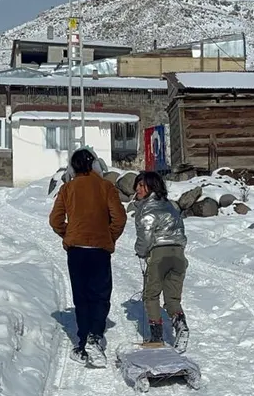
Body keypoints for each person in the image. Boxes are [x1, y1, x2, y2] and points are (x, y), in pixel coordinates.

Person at [49, 149, 127, 366]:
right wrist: (108, 236)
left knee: (81, 295)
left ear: (72, 167)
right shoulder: (106, 187)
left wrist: (70, 233)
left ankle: (83, 342)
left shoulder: (68, 188)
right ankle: (95, 334)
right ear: (95, 165)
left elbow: (55, 220)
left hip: (77, 250)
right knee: (100, 294)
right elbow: (119, 218)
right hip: (100, 250)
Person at [132, 171, 189, 352]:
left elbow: (146, 237)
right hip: (178, 254)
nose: (137, 189)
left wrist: (140, 252)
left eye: (142, 186)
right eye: (137, 185)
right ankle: (181, 325)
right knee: (172, 297)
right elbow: (181, 231)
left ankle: (156, 336)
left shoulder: (147, 210)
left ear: (152, 187)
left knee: (151, 295)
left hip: (159, 254)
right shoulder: (171, 207)